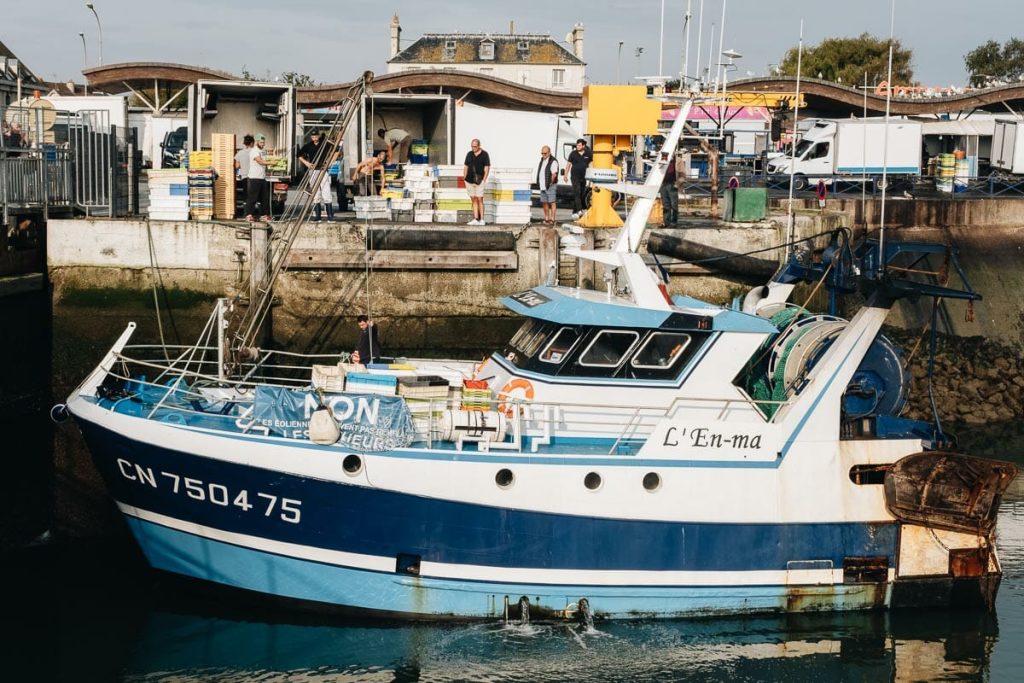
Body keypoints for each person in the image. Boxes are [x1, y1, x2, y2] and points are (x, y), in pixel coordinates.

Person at [299, 130, 336, 222]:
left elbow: (335, 151)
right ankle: (317, 216)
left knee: (326, 192)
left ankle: (330, 216)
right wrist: (306, 163)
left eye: (316, 136)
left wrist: (329, 162)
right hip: (313, 171)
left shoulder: (325, 144)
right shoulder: (308, 145)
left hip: (323, 170)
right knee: (315, 194)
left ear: (319, 136)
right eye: (313, 137)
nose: (314, 139)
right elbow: (298, 155)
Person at [245, 133, 271, 222]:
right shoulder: (254, 151)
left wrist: (270, 161)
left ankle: (264, 215)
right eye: (261, 142)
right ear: (257, 142)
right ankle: (248, 214)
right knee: (253, 197)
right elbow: (260, 161)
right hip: (254, 177)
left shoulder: (263, 151)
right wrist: (272, 163)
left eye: (263, 142)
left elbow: (265, 160)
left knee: (264, 197)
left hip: (262, 177)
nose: (263, 144)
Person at [463, 139, 490, 225]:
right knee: (473, 199)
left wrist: (484, 180)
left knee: (480, 199)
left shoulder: (484, 154)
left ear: (479, 146)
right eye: (472, 146)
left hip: (479, 180)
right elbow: (466, 166)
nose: (473, 148)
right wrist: (464, 178)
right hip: (469, 180)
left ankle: (482, 219)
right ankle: (475, 218)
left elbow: (487, 167)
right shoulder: (469, 154)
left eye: (475, 146)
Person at [564, 138, 592, 219]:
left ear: (583, 145)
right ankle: (580, 210)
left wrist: (591, 177)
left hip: (583, 177)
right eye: (577, 145)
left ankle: (574, 212)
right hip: (575, 177)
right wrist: (565, 175)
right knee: (577, 192)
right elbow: (568, 165)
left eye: (579, 145)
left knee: (581, 194)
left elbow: (590, 165)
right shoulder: (573, 153)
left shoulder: (588, 154)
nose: (578, 147)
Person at [536, 145, 559, 225]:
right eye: (542, 153)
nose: (543, 155)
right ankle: (546, 219)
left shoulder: (553, 161)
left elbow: (554, 174)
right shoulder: (542, 160)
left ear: (549, 152)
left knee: (552, 202)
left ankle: (552, 219)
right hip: (543, 185)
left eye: (545, 153)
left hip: (550, 185)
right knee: (544, 202)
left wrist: (551, 183)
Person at [233, 134, 254, 217]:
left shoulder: (240, 153)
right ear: (252, 143)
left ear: (244, 143)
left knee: (246, 195)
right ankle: (252, 213)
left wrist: (243, 164)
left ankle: (246, 213)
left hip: (245, 176)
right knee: (253, 195)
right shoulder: (255, 152)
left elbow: (236, 166)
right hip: (254, 177)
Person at [660, 153, 679, 226]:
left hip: (672, 184)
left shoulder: (677, 160)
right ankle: (666, 222)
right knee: (665, 204)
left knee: (674, 205)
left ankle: (674, 222)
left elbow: (682, 174)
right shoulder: (662, 159)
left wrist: (678, 183)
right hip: (663, 184)